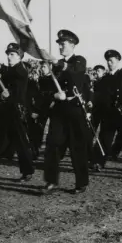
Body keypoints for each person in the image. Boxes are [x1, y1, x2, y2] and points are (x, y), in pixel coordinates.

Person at [42, 29, 92, 195]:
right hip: (59, 111)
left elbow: (75, 72)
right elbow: (47, 88)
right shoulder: (55, 67)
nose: (60, 47)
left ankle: (81, 183)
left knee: (77, 148)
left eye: (63, 44)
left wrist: (57, 62)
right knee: (52, 145)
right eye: (59, 44)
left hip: (75, 110)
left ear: (72, 45)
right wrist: (54, 95)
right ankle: (51, 181)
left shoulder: (79, 61)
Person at [0, 43, 35, 182]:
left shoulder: (21, 70)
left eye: (12, 54)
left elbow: (18, 91)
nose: (9, 57)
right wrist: (1, 95)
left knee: (21, 143)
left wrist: (9, 93)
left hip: (17, 112)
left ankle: (27, 172)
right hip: (5, 111)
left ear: (20, 57)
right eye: (8, 54)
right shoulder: (8, 71)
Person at [92, 50, 122, 174]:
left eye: (111, 60)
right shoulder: (104, 79)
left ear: (117, 61)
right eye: (108, 61)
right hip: (108, 114)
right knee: (104, 139)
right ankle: (99, 162)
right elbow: (99, 97)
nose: (109, 63)